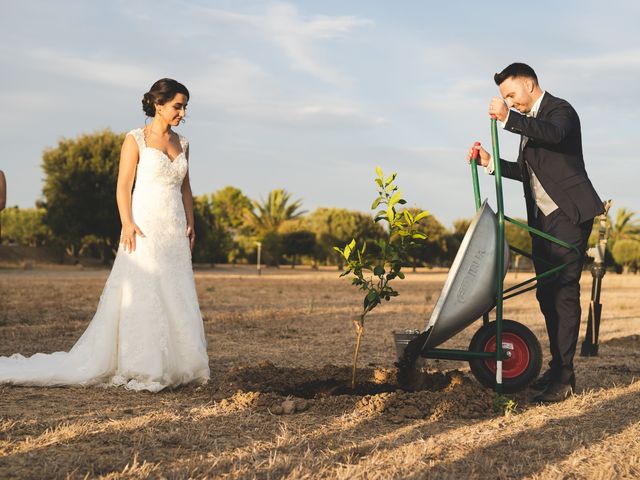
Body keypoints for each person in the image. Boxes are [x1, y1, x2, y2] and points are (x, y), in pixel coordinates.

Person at [0, 79, 210, 392]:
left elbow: (186, 188)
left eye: (185, 107)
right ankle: (143, 362)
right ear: (158, 104)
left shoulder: (184, 143)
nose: (182, 112)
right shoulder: (135, 139)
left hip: (174, 226)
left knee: (176, 289)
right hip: (144, 224)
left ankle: (181, 362)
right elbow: (124, 185)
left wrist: (191, 223)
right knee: (145, 289)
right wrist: (127, 221)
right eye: (178, 105)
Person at [468, 63, 603, 403]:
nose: (509, 101)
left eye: (511, 94)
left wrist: (507, 119)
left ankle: (566, 376)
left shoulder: (561, 111)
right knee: (546, 293)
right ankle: (558, 367)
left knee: (564, 291)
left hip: (569, 214)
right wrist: (490, 162)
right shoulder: (529, 126)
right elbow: (529, 173)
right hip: (541, 219)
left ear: (529, 83)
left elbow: (553, 135)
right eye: (504, 98)